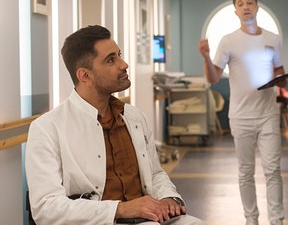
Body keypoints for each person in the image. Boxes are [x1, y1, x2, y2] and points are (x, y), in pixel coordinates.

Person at [26, 25, 203, 225]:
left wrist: (169, 198)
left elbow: (154, 174)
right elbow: (46, 208)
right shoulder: (47, 128)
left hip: (148, 218)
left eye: (119, 55)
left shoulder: (134, 117)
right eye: (111, 60)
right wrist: (121, 209)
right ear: (85, 76)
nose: (124, 64)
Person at [198, 0, 286, 225]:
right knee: (246, 172)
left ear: (257, 7)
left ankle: (277, 220)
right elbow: (214, 77)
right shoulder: (228, 40)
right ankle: (251, 219)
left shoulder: (272, 38)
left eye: (250, 2)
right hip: (241, 117)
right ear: (235, 11)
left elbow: (279, 70)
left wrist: (281, 79)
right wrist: (206, 56)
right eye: (240, 4)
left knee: (273, 169)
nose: (246, 6)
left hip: (268, 113)